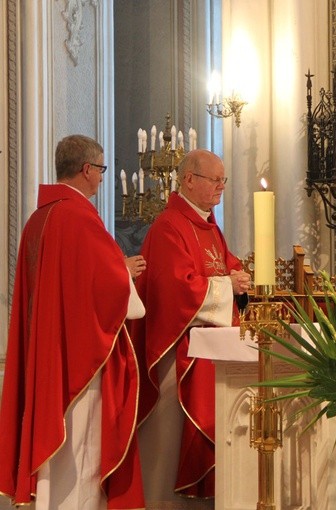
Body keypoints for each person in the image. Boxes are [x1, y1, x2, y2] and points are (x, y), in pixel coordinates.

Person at [0, 135, 145, 509]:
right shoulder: (79, 217)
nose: (101, 179)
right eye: (101, 170)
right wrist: (124, 270)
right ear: (87, 170)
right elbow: (103, 286)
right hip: (79, 366)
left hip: (49, 356)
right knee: (81, 454)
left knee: (58, 457)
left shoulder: (40, 218)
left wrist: (114, 269)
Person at [131, 149, 250, 500]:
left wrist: (241, 282)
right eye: (215, 180)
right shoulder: (170, 226)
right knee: (169, 442)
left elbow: (226, 268)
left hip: (209, 352)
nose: (221, 187)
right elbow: (177, 289)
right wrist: (230, 285)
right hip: (176, 352)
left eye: (224, 180)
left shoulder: (209, 227)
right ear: (188, 180)